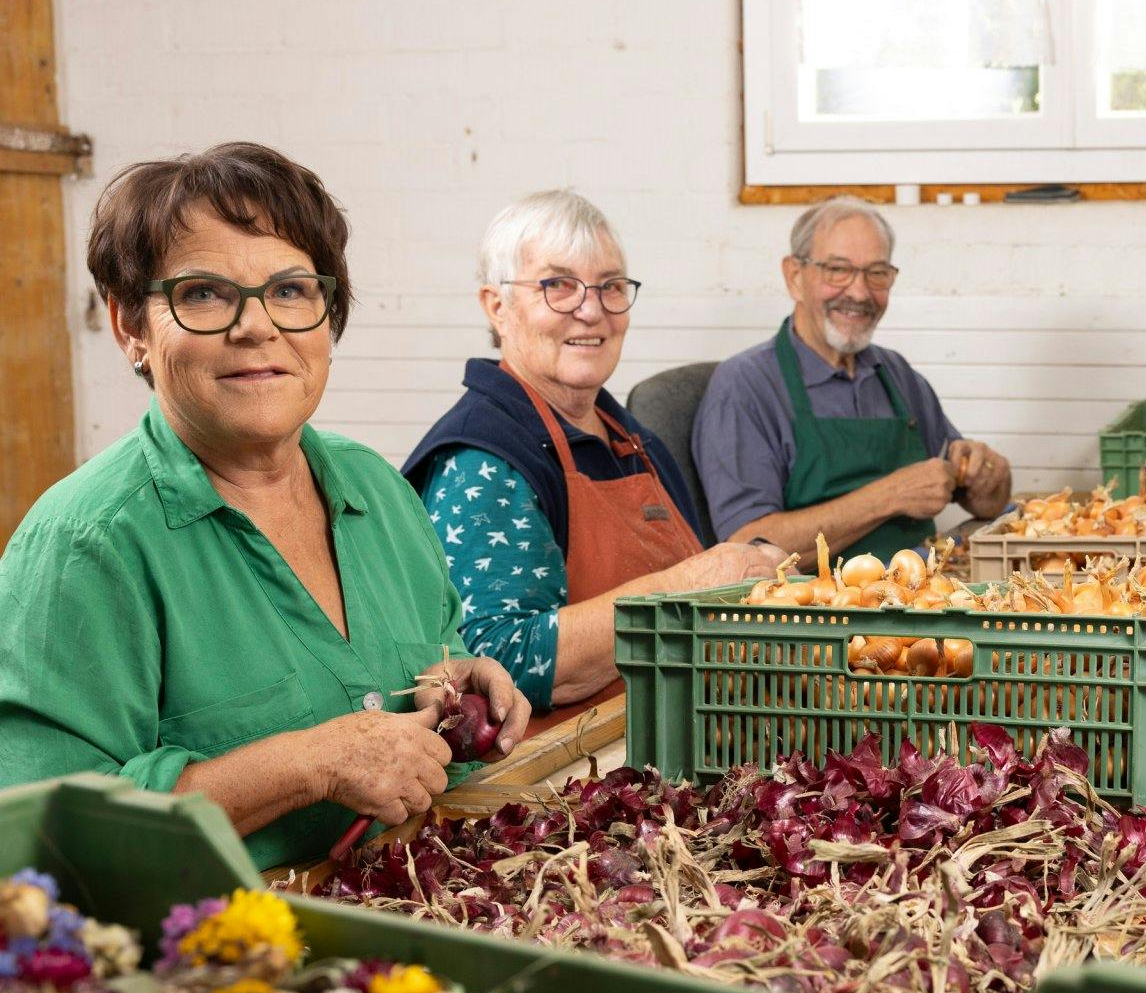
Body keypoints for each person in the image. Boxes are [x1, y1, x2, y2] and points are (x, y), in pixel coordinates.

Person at [0, 143, 530, 868]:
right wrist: (306, 764)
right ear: (130, 326)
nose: (258, 326)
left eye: (289, 290)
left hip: (414, 906)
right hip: (219, 959)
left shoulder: (378, 490)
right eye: (205, 294)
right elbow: (42, 841)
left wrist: (461, 685)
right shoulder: (83, 547)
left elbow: (433, 663)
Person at [404, 191, 780, 732]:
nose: (591, 308)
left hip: (672, 746)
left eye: (610, 286)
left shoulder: (630, 438)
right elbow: (490, 662)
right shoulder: (482, 460)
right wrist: (692, 584)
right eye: (557, 285)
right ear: (496, 306)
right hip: (564, 785)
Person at [692, 197, 1013, 556]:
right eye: (837, 270)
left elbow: (986, 505)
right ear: (794, 277)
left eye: (877, 273)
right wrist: (888, 496)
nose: (859, 293)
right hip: (821, 607)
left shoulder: (897, 375)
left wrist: (989, 477)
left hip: (924, 591)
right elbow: (746, 544)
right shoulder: (745, 387)